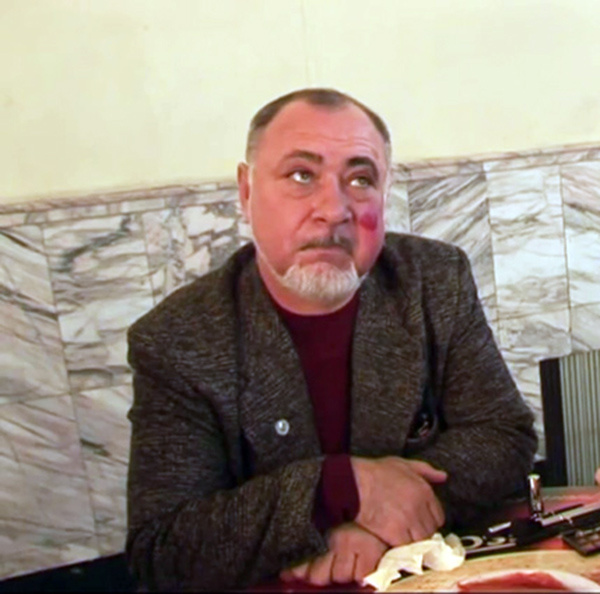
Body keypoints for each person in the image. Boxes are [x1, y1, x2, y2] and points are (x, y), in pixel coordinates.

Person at [126, 88, 537, 591]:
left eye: (361, 180)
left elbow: (504, 436)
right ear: (247, 191)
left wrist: (385, 523)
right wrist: (339, 490)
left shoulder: (433, 280)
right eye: (301, 175)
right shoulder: (178, 339)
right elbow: (165, 546)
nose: (333, 209)